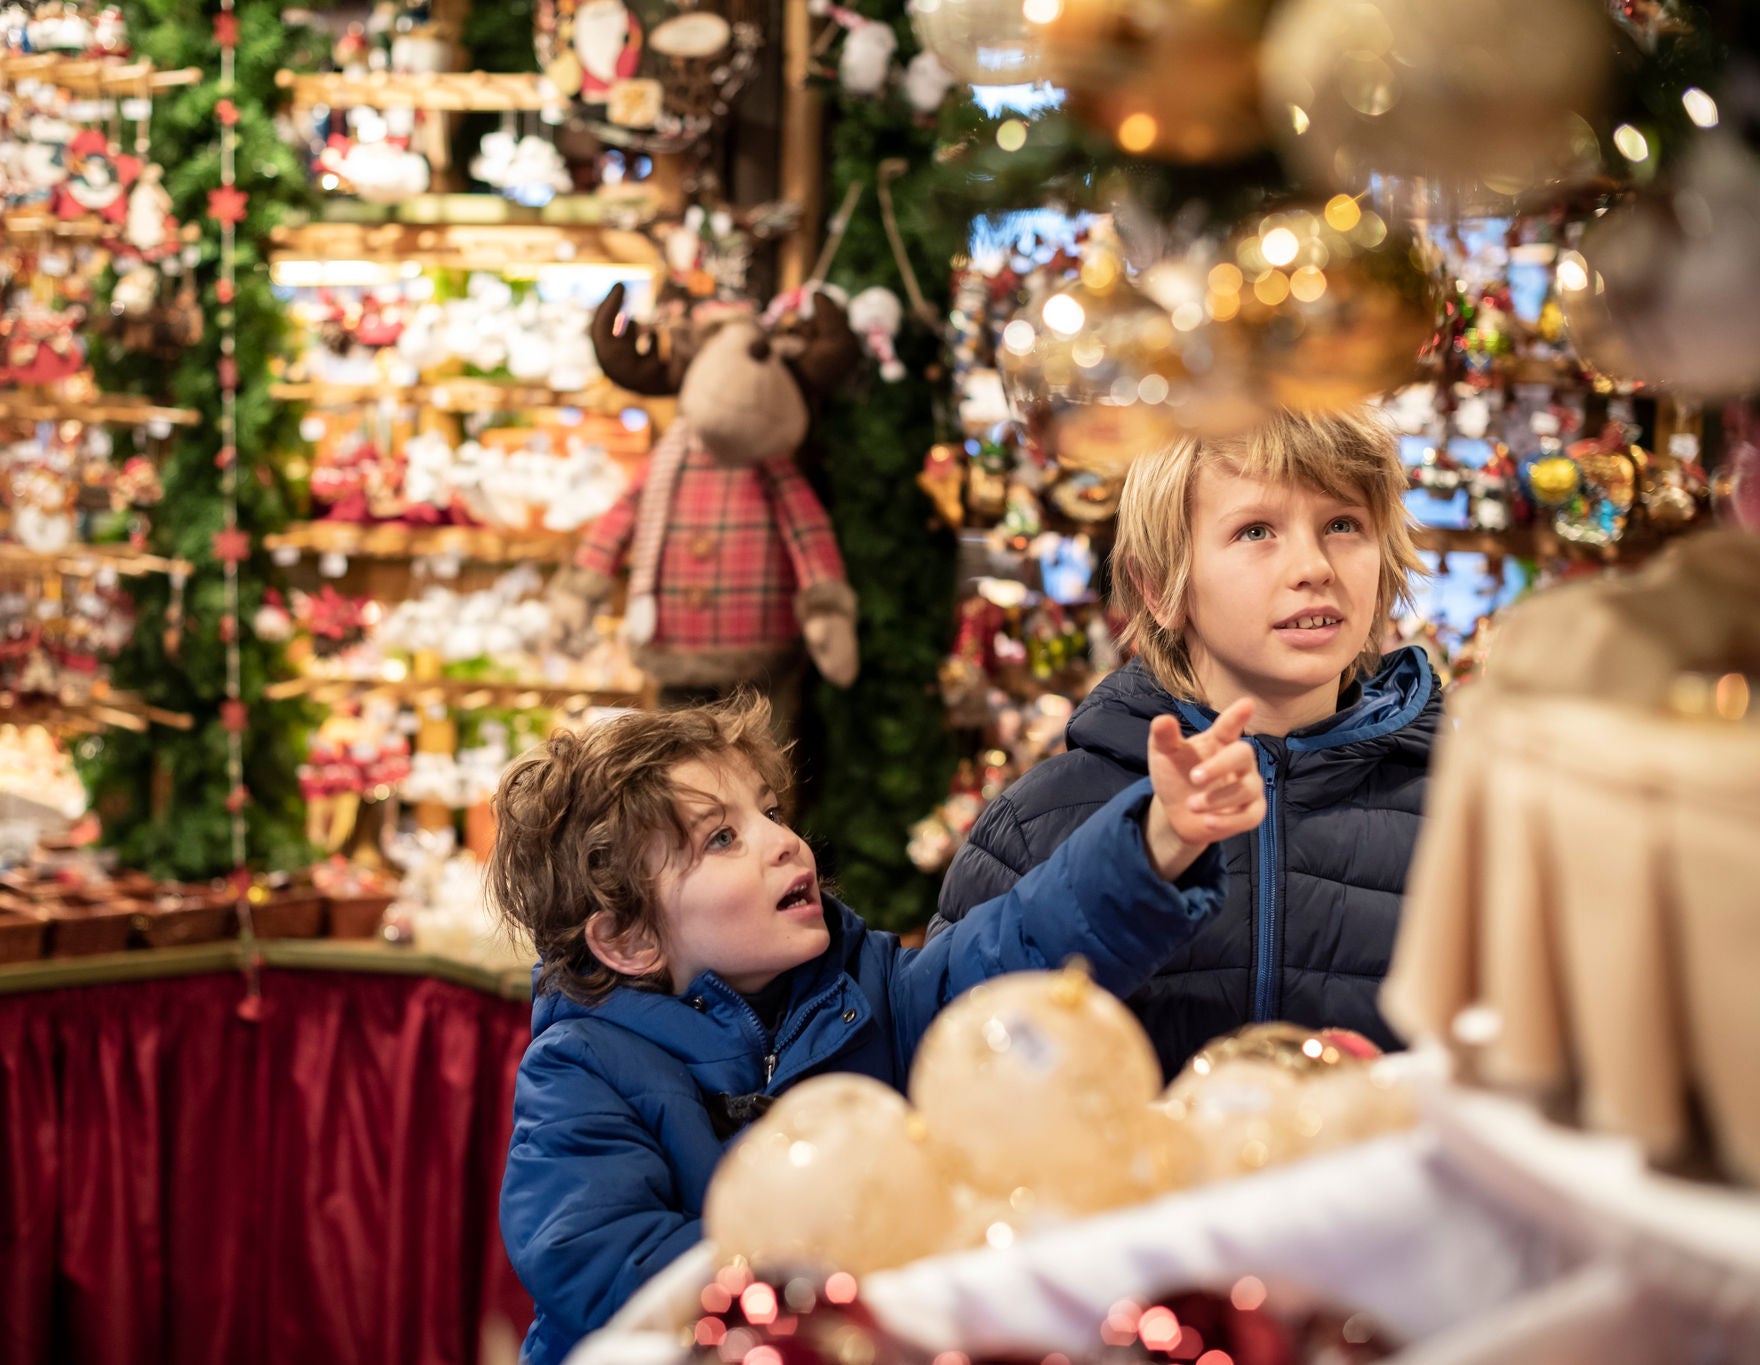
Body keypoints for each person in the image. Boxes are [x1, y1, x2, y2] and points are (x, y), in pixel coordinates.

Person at [491, 691, 1266, 1365]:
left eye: (768, 810)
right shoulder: (582, 1067)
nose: (782, 840)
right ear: (629, 941)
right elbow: (595, 1254)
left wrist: (1158, 841)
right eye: (721, 838)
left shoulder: (876, 992)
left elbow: (1019, 943)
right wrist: (823, 1269)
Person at [935, 407, 1440, 1078]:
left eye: (1343, 524)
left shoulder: (1455, 816)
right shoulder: (1041, 820)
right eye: (1256, 530)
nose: (1314, 565)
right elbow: (954, 1058)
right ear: (1158, 586)